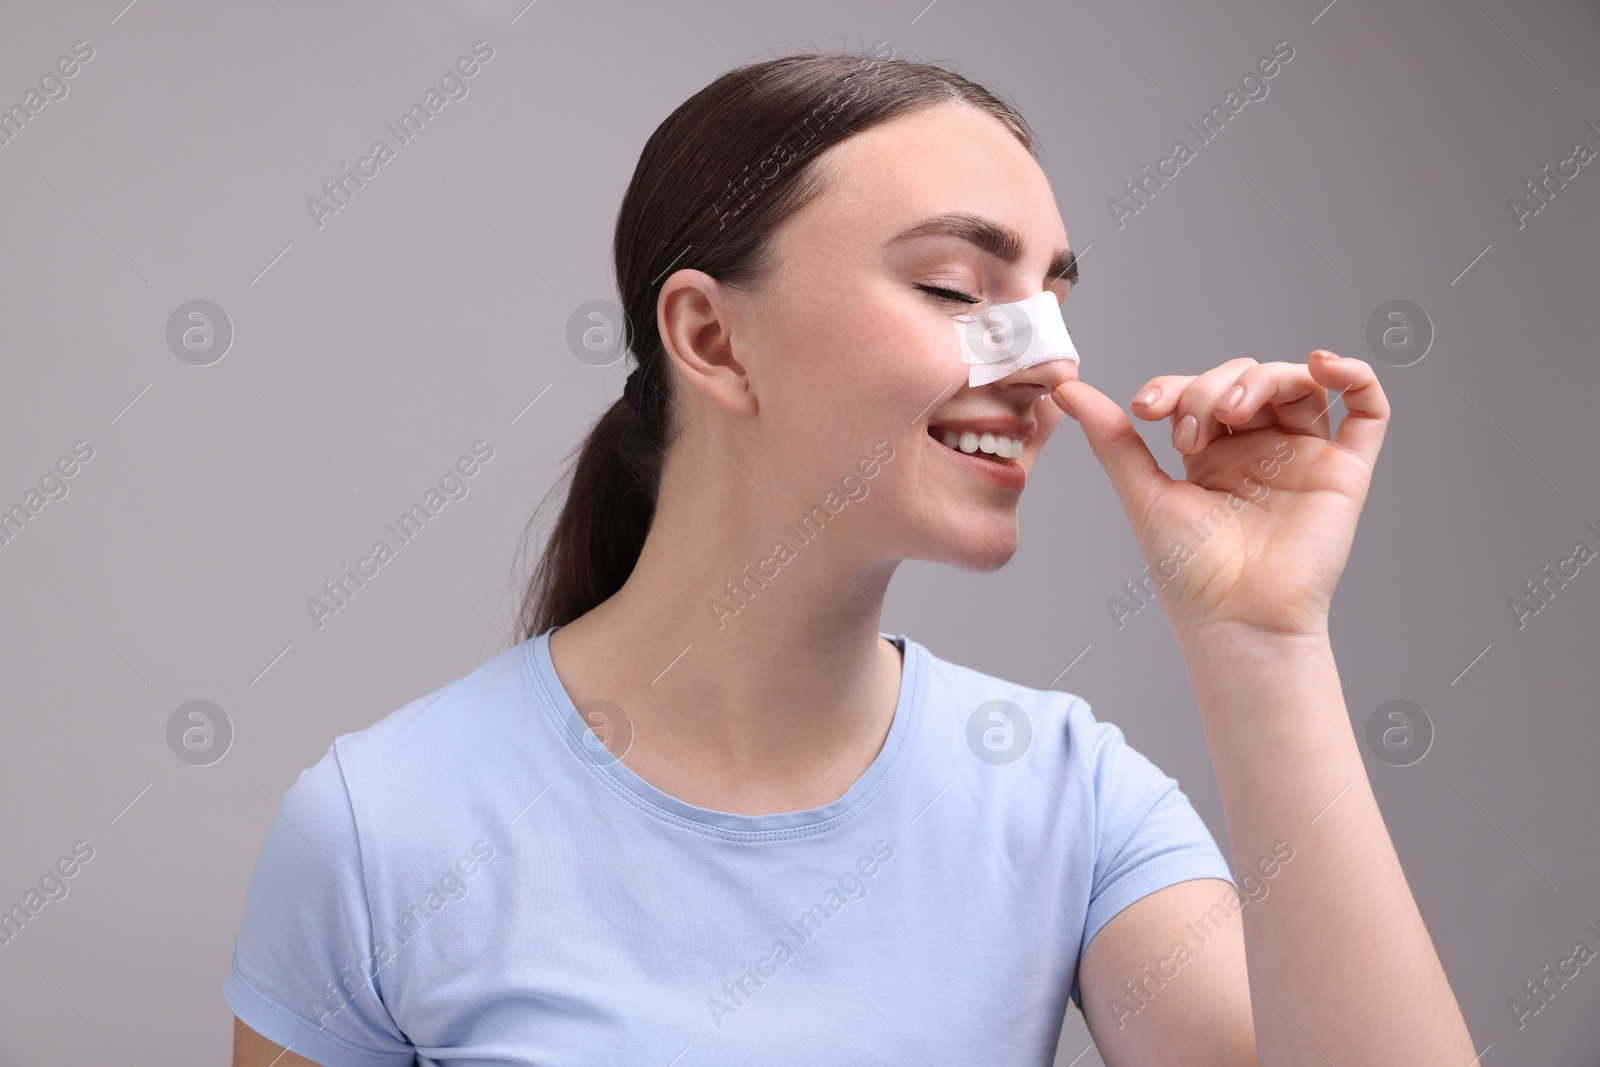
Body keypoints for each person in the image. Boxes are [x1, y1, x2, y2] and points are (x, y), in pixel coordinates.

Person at [227, 48, 1476, 1066]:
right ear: (710, 337)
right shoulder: (380, 827)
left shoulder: (1069, 801)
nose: (1046, 357)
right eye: (952, 284)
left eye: (1050, 293)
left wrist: (1260, 636)